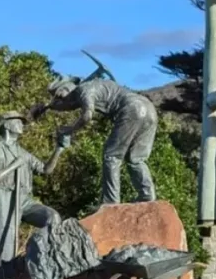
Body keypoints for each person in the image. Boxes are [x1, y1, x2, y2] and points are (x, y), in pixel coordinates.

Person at [0, 113, 66, 279]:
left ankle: (44, 264)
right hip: (3, 198)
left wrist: (59, 149)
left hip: (24, 199)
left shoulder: (23, 153)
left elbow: (45, 169)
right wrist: (14, 165)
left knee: (52, 218)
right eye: (17, 121)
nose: (21, 124)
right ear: (6, 125)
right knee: (4, 249)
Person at [47, 76, 158, 206]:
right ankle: (147, 195)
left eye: (59, 96)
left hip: (131, 109)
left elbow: (87, 115)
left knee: (111, 156)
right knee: (136, 159)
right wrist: (48, 106)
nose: (60, 99)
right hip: (149, 108)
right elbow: (67, 105)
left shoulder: (83, 90)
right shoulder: (90, 87)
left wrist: (71, 129)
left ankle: (110, 203)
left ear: (64, 90)